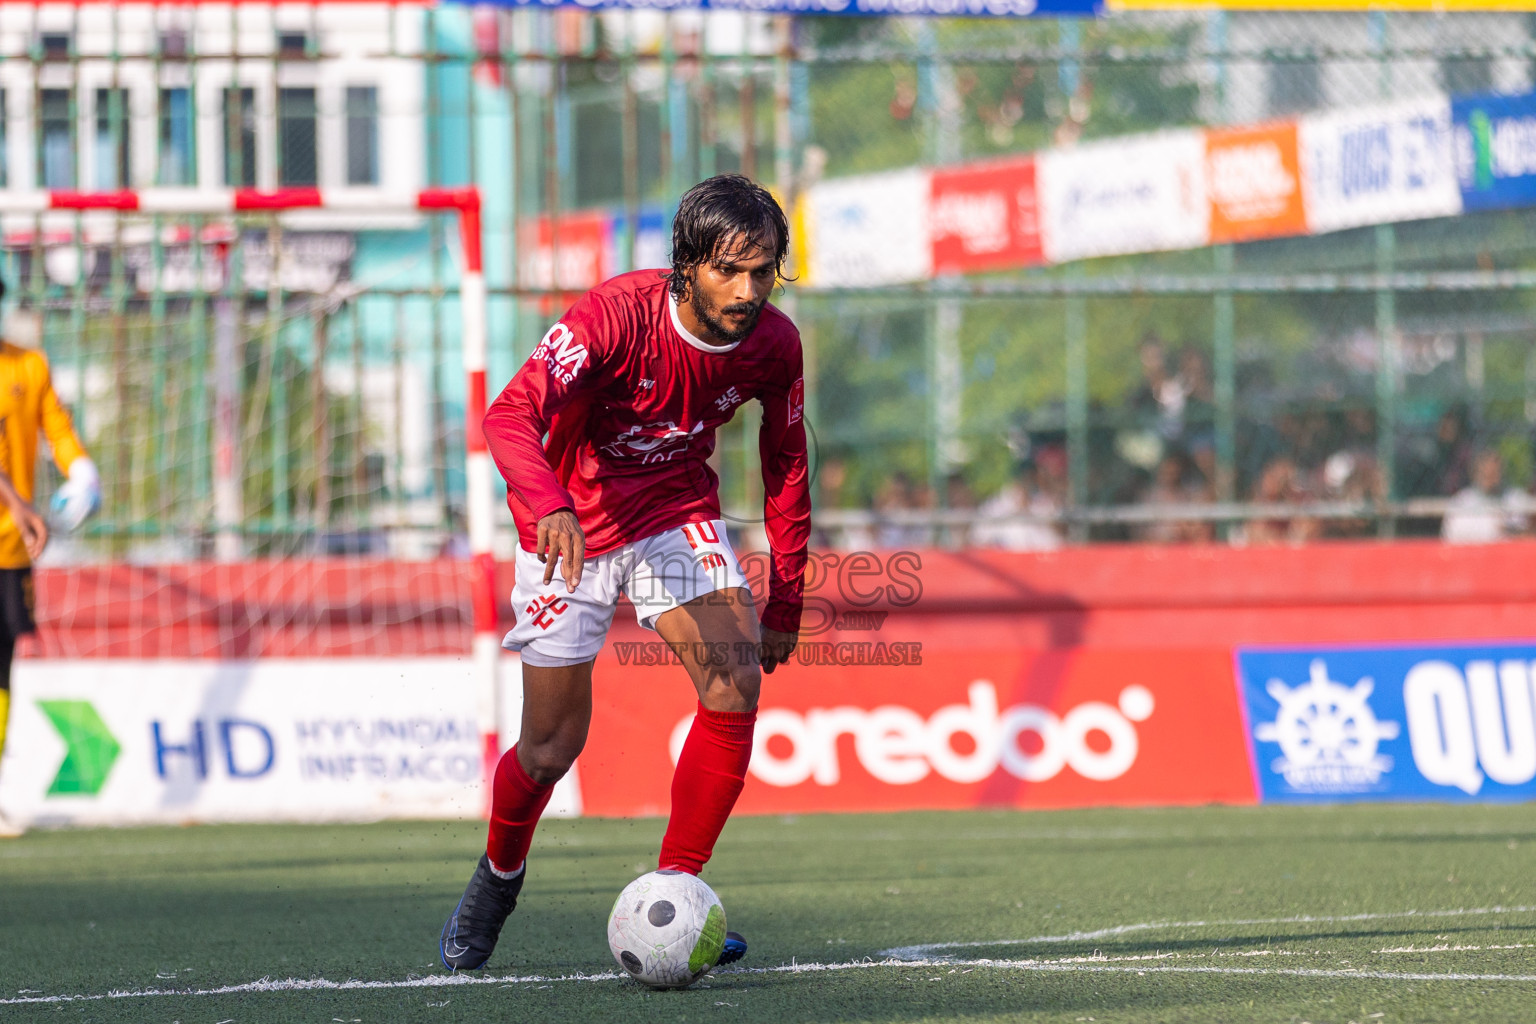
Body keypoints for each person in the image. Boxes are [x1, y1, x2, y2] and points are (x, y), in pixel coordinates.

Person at [439, 175, 810, 971]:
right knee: (549, 747)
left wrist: (789, 592)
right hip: (569, 528)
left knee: (734, 682)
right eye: (728, 271)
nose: (747, 292)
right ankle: (499, 876)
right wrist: (548, 507)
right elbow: (509, 414)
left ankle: (674, 897)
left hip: (674, 512)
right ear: (686, 264)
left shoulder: (775, 346)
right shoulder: (613, 316)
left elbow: (786, 461)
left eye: (763, 272)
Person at [0, 279, 101, 838]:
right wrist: (15, 501)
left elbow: (56, 429)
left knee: (2, 666)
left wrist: (81, 471)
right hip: (17, 520)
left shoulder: (28, 366)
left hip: (13, 547)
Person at [1441, 449, 1525, 543]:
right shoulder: (1461, 502)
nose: (1491, 479)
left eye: (1495, 473)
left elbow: (1527, 533)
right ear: (1475, 474)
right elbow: (1452, 536)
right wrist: (1491, 529)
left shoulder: (1515, 498)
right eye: (1486, 474)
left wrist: (1508, 530)